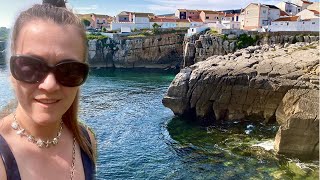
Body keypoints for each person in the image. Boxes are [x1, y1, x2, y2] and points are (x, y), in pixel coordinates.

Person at [0, 0, 96, 179]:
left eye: (69, 70)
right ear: (12, 72)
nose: (49, 85)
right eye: (30, 67)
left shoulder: (86, 142)